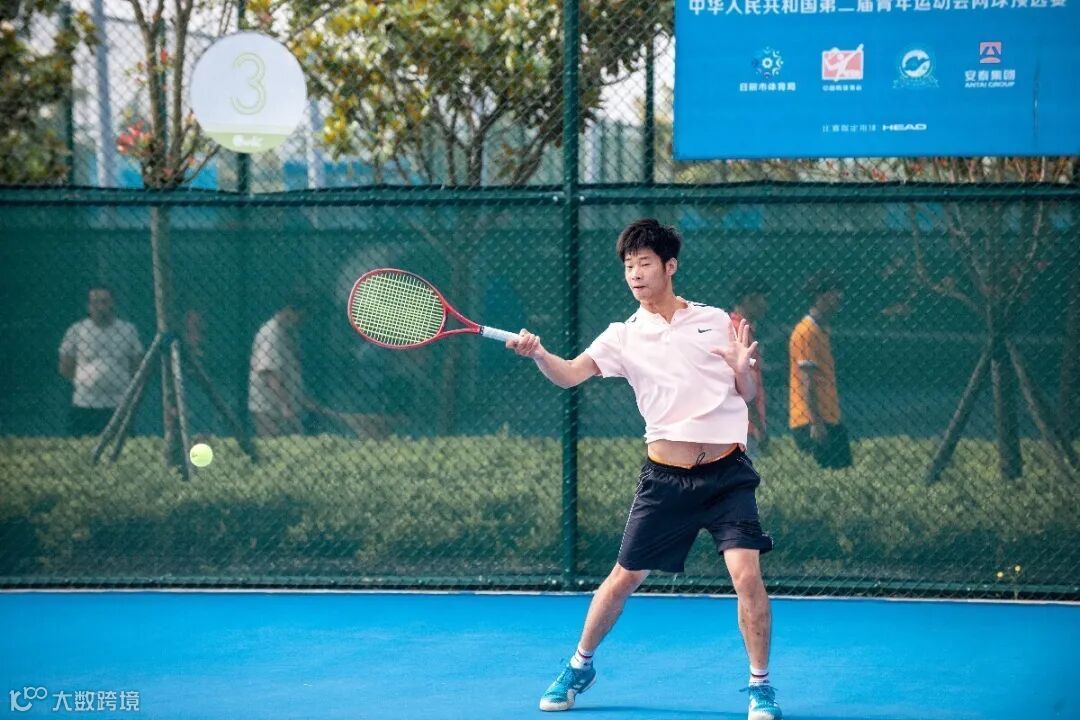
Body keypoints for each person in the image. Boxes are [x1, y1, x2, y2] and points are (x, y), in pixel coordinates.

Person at [509, 219, 782, 720]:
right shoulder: (622, 336)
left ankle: (760, 686)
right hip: (665, 480)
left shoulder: (715, 320)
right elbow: (568, 375)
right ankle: (579, 665)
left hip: (727, 475)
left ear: (669, 266)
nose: (634, 274)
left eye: (644, 263)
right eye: (628, 266)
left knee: (747, 576)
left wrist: (744, 371)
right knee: (624, 577)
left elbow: (744, 394)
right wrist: (539, 354)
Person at [58, 286, 144, 436]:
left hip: (118, 404)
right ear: (88, 306)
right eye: (95, 302)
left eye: (104, 302)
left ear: (112, 304)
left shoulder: (128, 330)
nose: (100, 307)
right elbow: (65, 367)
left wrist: (116, 383)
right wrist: (87, 382)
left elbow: (137, 365)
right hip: (84, 404)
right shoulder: (76, 330)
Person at [788, 272, 852, 469]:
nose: (840, 298)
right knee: (831, 471)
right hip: (813, 421)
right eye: (834, 293)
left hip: (828, 418)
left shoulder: (821, 330)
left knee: (841, 473)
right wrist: (816, 423)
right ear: (819, 296)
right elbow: (807, 380)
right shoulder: (807, 332)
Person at [248, 290, 313, 437]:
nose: (301, 321)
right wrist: (285, 406)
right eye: (301, 316)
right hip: (269, 410)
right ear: (289, 310)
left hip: (286, 408)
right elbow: (269, 373)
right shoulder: (271, 333)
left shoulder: (289, 332)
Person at [729, 277, 771, 454]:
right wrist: (759, 426)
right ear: (749, 299)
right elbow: (745, 384)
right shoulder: (740, 332)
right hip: (741, 427)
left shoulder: (733, 327)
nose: (766, 306)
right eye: (764, 299)